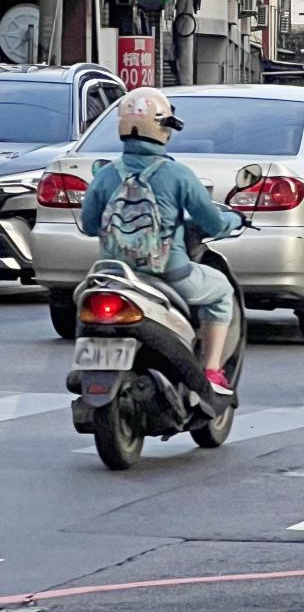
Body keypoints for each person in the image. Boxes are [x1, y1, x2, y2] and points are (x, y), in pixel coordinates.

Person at [80, 89, 243, 398]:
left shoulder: (105, 175)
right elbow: (213, 223)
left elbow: (89, 226)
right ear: (164, 128)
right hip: (171, 275)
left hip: (115, 276)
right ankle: (211, 370)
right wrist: (235, 220)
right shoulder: (177, 175)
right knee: (222, 291)